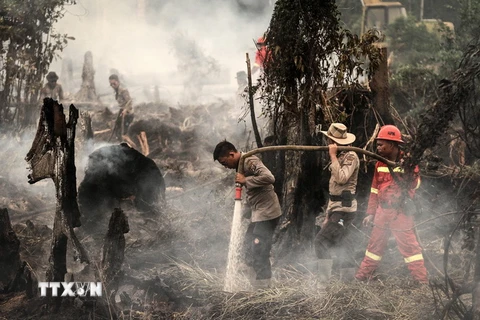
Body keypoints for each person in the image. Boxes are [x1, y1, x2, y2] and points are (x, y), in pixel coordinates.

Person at [355, 125, 428, 283]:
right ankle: (361, 279)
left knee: (410, 248)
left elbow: (416, 185)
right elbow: (374, 190)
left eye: (381, 144)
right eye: (378, 144)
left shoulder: (408, 162)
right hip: (382, 212)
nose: (378, 148)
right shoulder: (379, 164)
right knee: (373, 248)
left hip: (400, 213)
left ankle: (422, 283)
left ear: (393, 145)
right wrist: (370, 213)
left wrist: (407, 171)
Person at [213, 140, 281, 289]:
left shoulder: (250, 160)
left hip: (268, 213)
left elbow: (270, 178)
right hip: (259, 213)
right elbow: (252, 194)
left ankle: (263, 291)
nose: (226, 167)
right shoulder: (240, 165)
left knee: (259, 251)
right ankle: (255, 285)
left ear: (231, 154)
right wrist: (243, 213)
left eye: (225, 163)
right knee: (248, 248)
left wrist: (246, 180)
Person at [314, 123, 359, 269]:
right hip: (336, 209)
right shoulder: (340, 156)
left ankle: (323, 283)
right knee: (344, 245)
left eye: (329, 139)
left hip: (344, 210)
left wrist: (332, 155)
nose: (327, 142)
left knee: (320, 241)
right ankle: (346, 282)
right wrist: (328, 213)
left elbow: (341, 178)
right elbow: (334, 192)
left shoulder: (351, 156)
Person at [109, 74, 134, 140]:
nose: (112, 86)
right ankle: (119, 142)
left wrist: (125, 110)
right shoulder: (116, 91)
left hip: (128, 113)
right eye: (111, 84)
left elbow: (129, 102)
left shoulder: (123, 90)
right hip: (121, 111)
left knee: (124, 132)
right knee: (117, 128)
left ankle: (127, 144)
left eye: (114, 83)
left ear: (118, 81)